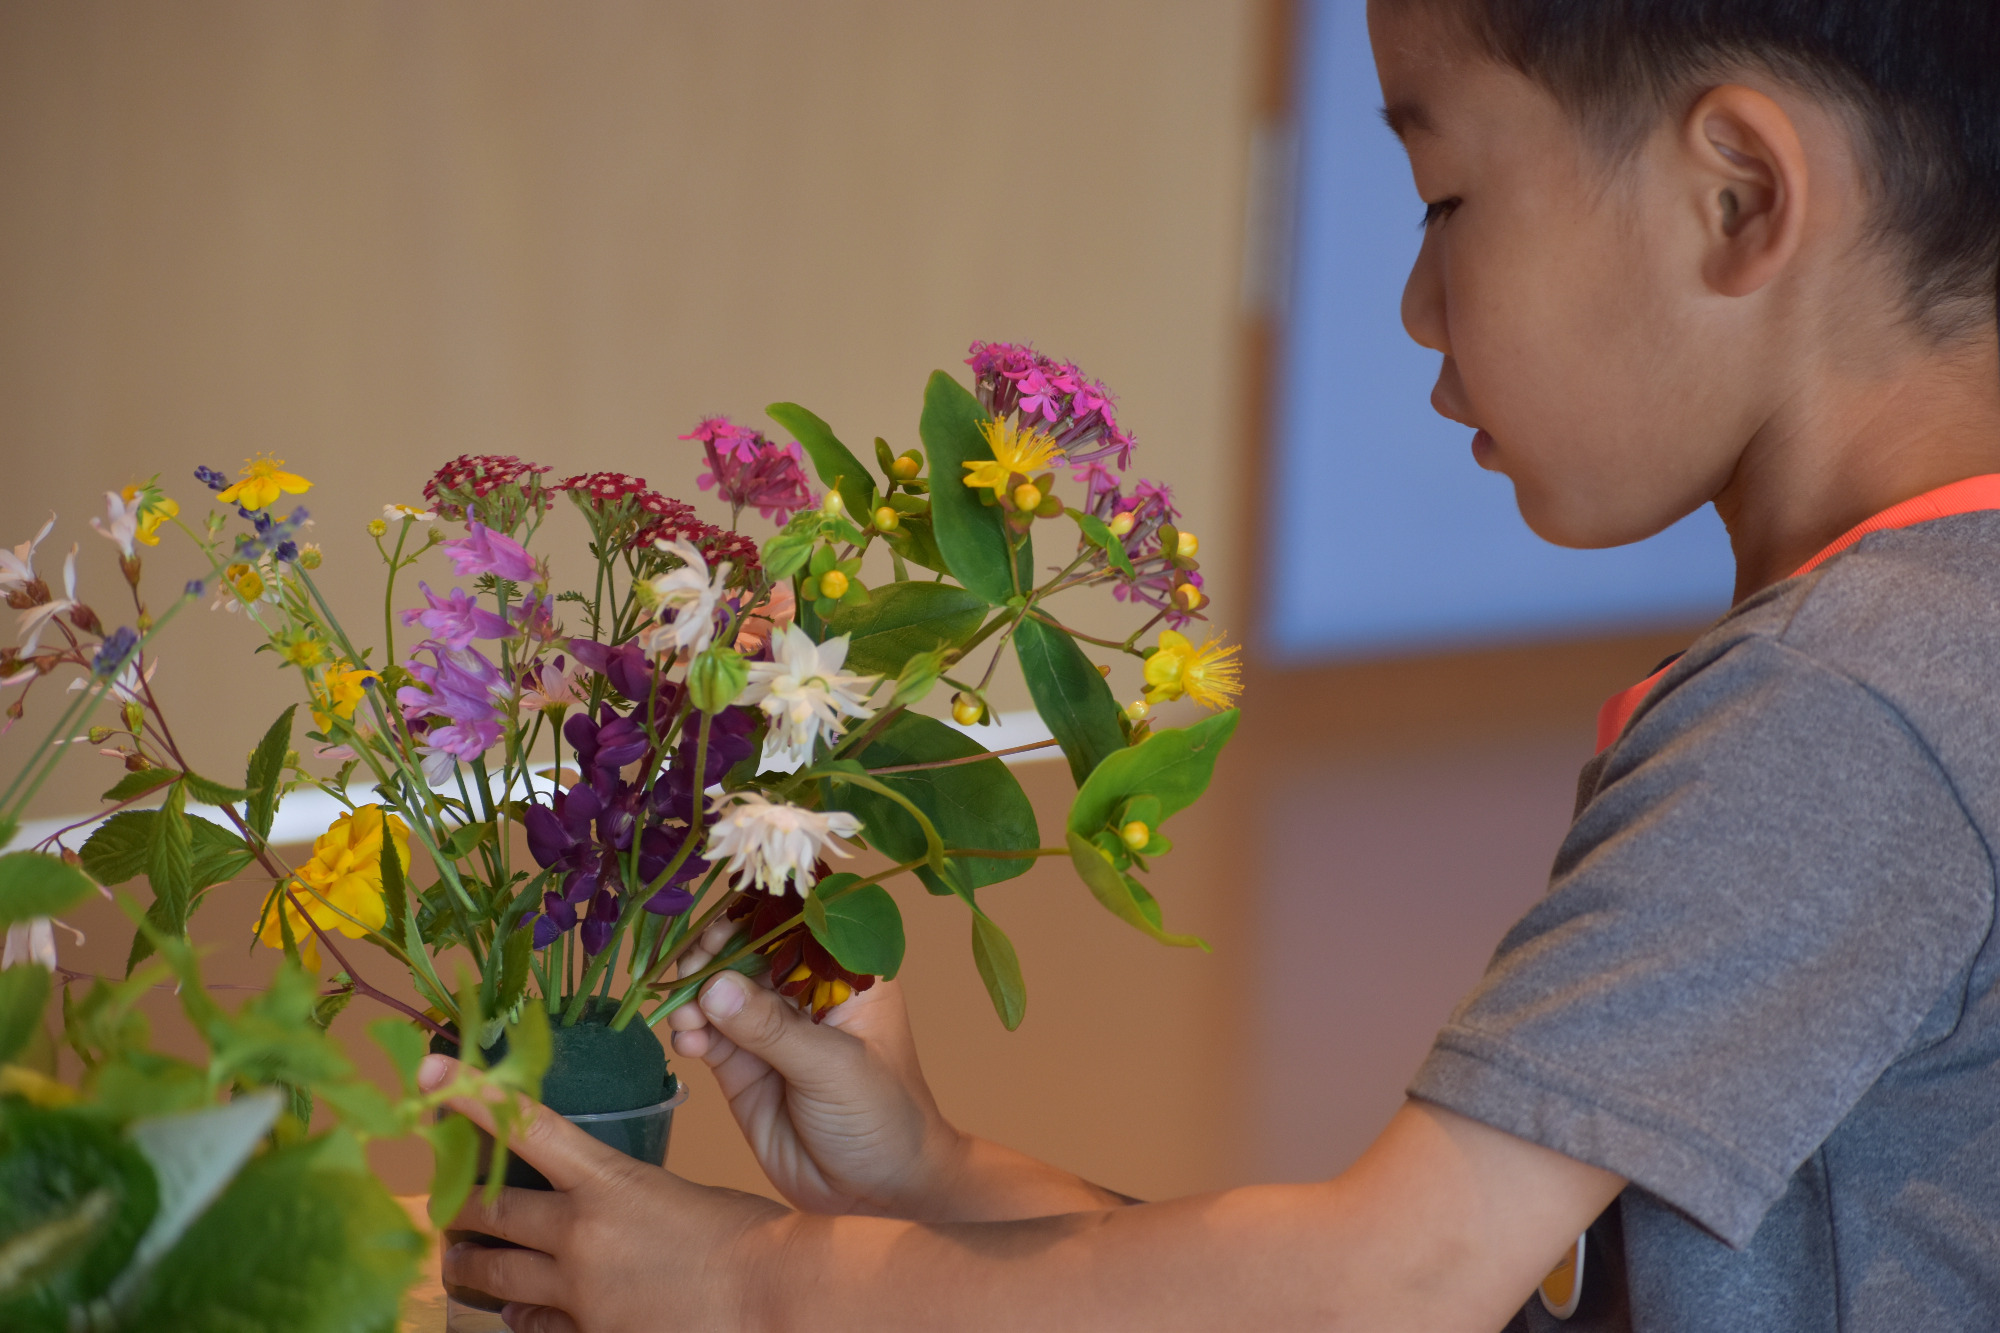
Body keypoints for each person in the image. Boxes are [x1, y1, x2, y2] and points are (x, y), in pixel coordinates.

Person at [422, 1, 2000, 1327]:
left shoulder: (1841, 703)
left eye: (1446, 198)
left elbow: (1395, 1278)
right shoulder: (1921, 650)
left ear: (1738, 197)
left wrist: (761, 1286)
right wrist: (929, 1176)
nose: (1412, 300)